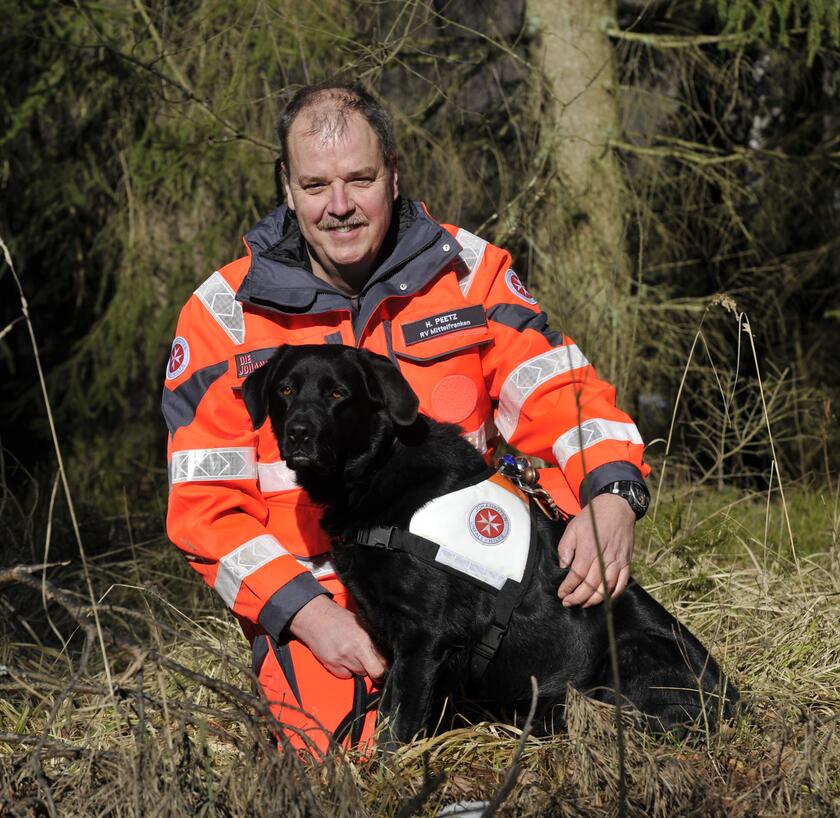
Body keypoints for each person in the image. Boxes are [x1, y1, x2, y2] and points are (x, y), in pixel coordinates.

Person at [162, 82, 650, 754]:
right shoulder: (222, 315)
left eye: (360, 179)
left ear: (393, 173)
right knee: (350, 760)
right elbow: (203, 510)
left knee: (616, 721)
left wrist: (612, 493)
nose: (339, 206)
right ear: (286, 185)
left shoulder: (467, 272)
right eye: (315, 185)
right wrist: (307, 615)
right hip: (330, 595)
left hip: (479, 571)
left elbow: (559, 392)